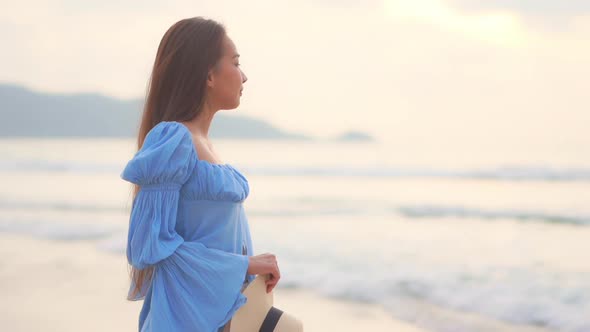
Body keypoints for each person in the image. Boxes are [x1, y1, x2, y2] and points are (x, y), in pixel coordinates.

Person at [120, 17, 281, 332]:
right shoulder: (174, 140)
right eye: (235, 63)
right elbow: (148, 245)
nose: (244, 76)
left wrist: (249, 271)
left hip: (218, 316)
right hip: (184, 320)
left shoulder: (204, 146)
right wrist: (244, 265)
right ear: (209, 74)